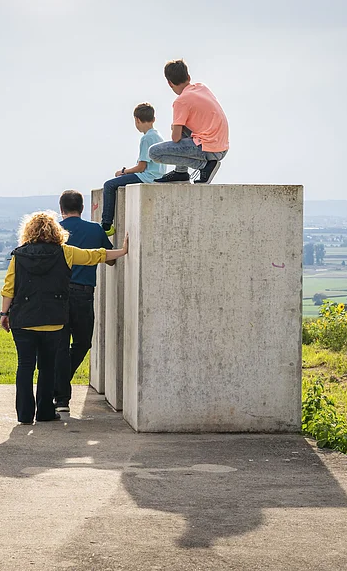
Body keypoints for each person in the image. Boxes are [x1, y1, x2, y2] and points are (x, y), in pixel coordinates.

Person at [0, 211, 129, 425]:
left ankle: (24, 415)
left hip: (23, 319)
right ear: (56, 231)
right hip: (53, 319)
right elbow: (94, 255)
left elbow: (9, 288)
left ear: (28, 231)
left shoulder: (19, 255)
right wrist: (123, 251)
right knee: (47, 366)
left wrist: (5, 314)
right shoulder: (65, 252)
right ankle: (44, 412)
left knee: (25, 366)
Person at [53, 190, 114, 414]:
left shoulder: (54, 231)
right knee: (82, 343)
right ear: (82, 208)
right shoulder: (95, 230)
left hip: (56, 296)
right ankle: (59, 392)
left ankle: (60, 395)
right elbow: (109, 259)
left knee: (60, 345)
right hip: (83, 294)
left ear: (61, 209)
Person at [149, 59, 229, 185]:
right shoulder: (202, 87)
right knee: (183, 125)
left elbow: (175, 138)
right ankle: (180, 172)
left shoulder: (181, 101)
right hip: (221, 146)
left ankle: (203, 165)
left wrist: (175, 127)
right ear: (188, 76)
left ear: (169, 83)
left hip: (208, 149)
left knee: (154, 152)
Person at [101, 103, 166, 236]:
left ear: (137, 120)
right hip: (158, 175)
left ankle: (106, 225)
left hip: (147, 177)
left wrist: (123, 171)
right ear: (154, 119)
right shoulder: (158, 136)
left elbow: (141, 167)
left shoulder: (146, 138)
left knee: (109, 185)